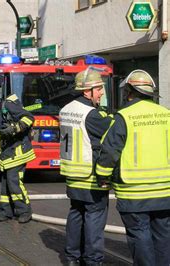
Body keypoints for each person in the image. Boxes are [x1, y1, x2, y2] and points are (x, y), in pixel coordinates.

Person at [95, 70, 170, 266]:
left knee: (140, 234)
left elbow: (110, 151)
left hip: (134, 192)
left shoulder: (124, 116)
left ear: (128, 92)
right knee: (163, 235)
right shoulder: (166, 114)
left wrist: (102, 177)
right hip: (165, 192)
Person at [59, 68, 113, 266]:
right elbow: (112, 131)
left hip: (72, 173)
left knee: (76, 214)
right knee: (94, 219)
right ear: (86, 91)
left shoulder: (65, 109)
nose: (101, 93)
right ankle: (93, 260)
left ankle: (72, 257)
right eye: (98, 89)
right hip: (90, 176)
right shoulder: (92, 114)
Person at [0, 91, 35, 223]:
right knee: (6, 184)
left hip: (18, 153)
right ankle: (6, 211)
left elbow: (29, 117)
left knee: (14, 182)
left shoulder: (8, 106)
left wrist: (14, 129)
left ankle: (24, 211)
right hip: (8, 154)